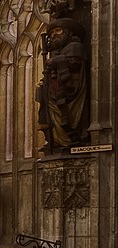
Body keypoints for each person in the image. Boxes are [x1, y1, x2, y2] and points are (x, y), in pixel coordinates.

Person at [38, 18, 89, 152]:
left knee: (67, 116)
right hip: (55, 92)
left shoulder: (75, 47)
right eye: (52, 33)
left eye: (58, 30)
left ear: (68, 32)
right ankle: (57, 141)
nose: (54, 34)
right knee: (50, 113)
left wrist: (56, 61)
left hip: (70, 91)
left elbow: (74, 63)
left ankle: (70, 139)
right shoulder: (57, 51)